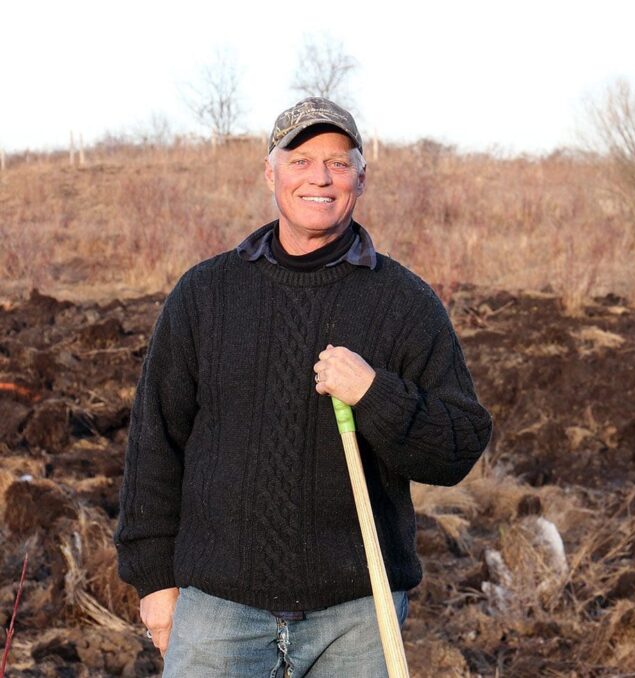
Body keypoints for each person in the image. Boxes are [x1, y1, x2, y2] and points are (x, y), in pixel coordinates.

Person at [114, 97, 493, 677]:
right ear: (270, 172)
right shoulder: (205, 295)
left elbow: (458, 445)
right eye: (301, 159)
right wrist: (154, 584)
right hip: (218, 611)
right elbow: (154, 445)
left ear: (361, 179)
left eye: (339, 163)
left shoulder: (404, 303)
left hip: (358, 617)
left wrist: (375, 395)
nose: (320, 177)